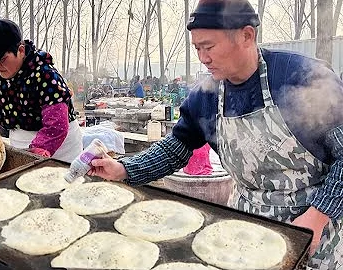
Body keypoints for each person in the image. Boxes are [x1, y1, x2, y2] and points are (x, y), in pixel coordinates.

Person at [89, 0, 343, 268]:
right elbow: (174, 149)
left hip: (315, 227)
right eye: (197, 48)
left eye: (209, 47)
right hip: (245, 230)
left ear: (247, 35)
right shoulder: (206, 96)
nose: (203, 58)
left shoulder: (299, 77)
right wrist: (124, 169)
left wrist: (318, 216)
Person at [0, 19, 82, 162]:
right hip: (18, 142)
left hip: (60, 147)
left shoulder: (44, 74)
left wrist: (37, 151)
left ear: (21, 50)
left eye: (3, 59)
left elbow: (56, 124)